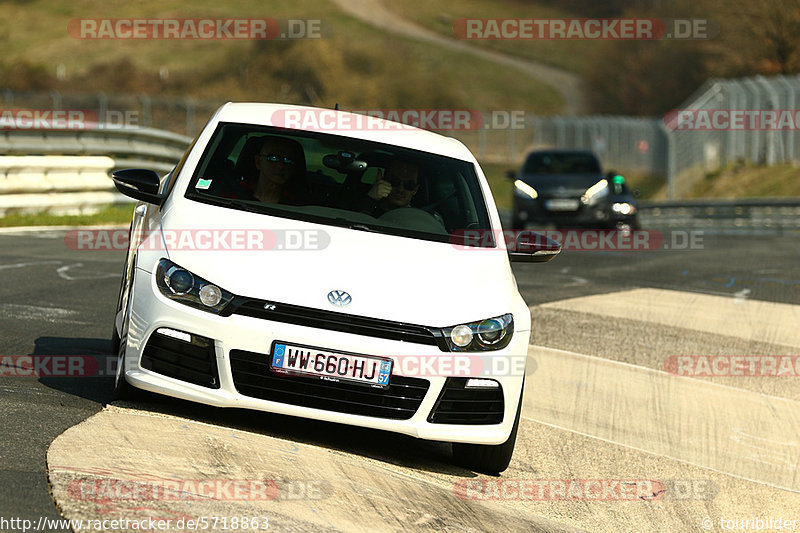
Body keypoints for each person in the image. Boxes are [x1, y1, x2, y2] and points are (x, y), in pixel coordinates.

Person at [250, 136, 306, 204]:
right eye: (273, 158)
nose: (281, 166)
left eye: (288, 160)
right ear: (258, 162)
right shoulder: (236, 192)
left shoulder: (298, 204)